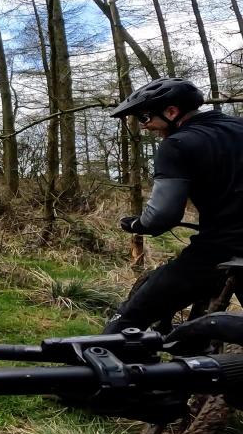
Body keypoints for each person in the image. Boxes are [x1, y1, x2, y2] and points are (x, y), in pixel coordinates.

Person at [104, 77, 243, 333]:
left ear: (171, 111)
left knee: (128, 322)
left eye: (145, 117)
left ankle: (101, 361)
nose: (145, 126)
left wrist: (138, 223)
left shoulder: (178, 144)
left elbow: (162, 215)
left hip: (224, 248)